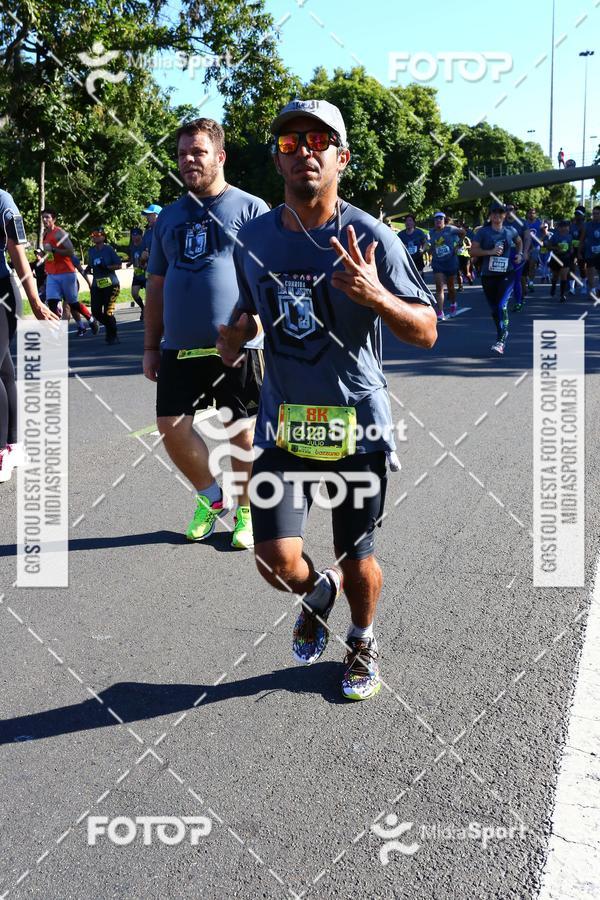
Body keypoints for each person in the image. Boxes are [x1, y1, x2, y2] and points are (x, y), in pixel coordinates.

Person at [217, 99, 437, 701]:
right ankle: (318, 590)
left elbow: (425, 329)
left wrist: (377, 297)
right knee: (273, 560)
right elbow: (253, 313)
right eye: (290, 143)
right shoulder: (253, 239)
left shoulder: (370, 236)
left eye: (318, 141)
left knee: (357, 552)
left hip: (355, 427)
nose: (303, 151)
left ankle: (362, 638)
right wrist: (237, 336)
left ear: (341, 157)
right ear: (277, 160)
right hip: (286, 424)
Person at [143, 118, 269, 550]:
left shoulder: (251, 208)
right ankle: (212, 499)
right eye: (181, 153)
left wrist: (252, 327)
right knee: (171, 425)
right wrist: (149, 346)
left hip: (237, 344)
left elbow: (268, 279)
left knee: (242, 431)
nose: (188, 160)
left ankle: (249, 512)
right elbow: (156, 284)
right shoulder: (169, 217)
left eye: (197, 152)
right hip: (179, 346)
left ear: (220, 156)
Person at [1, 190, 57, 482]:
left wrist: (35, 301)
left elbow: (17, 252)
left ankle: (2, 451)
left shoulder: (3, 200)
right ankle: (15, 445)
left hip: (2, 294)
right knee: (4, 369)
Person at [469, 202, 523, 356]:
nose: (497, 216)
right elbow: (473, 251)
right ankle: (502, 331)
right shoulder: (483, 232)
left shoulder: (510, 231)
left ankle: (501, 340)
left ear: (505, 215)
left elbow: (519, 242)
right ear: (490, 215)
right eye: (494, 213)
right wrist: (490, 251)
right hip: (488, 276)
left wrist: (519, 254)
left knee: (500, 306)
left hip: (507, 274)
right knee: (494, 310)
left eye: (500, 213)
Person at [85, 227, 122, 344]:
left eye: (98, 234)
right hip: (97, 285)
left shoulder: (109, 249)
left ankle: (112, 334)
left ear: (103, 237)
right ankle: (111, 327)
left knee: (108, 312)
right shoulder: (91, 251)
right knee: (95, 311)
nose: (95, 236)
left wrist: (106, 267)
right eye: (93, 235)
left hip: (111, 285)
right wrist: (87, 269)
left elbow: (119, 265)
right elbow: (91, 265)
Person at [41, 207, 79, 317]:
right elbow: (50, 255)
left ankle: (89, 319)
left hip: (66, 272)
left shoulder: (59, 233)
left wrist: (53, 249)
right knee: (52, 302)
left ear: (54, 219)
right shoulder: (45, 235)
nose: (44, 220)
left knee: (72, 304)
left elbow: (71, 251)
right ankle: (58, 330)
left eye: (47, 217)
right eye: (43, 217)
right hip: (53, 274)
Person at [427, 212, 464, 320]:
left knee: (451, 288)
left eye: (441, 218)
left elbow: (463, 232)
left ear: (444, 220)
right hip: (438, 263)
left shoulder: (450, 229)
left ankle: (453, 304)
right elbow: (430, 247)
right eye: (436, 219)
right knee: (439, 287)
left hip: (450, 262)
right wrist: (428, 249)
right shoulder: (431, 233)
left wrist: (460, 243)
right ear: (434, 221)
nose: (438, 220)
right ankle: (440, 311)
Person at [548, 220, 574, 302]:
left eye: (566, 227)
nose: (564, 228)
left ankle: (562, 294)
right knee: (555, 276)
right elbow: (548, 246)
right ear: (559, 228)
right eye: (562, 227)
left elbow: (571, 247)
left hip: (566, 258)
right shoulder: (555, 236)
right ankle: (553, 286)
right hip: (556, 257)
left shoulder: (570, 236)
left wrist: (572, 252)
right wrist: (556, 248)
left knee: (564, 276)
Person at [580, 205, 600, 300]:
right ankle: (592, 290)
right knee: (590, 271)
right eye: (594, 213)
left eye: (597, 213)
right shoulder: (587, 225)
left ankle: (598, 289)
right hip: (590, 252)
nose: (595, 215)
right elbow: (582, 239)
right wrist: (579, 252)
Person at [127, 227, 146, 319]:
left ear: (140, 235)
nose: (133, 237)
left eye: (135, 235)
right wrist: (130, 263)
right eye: (132, 235)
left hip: (147, 274)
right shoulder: (132, 246)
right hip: (137, 274)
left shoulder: (145, 245)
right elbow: (133, 257)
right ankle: (143, 309)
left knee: (150, 295)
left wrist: (145, 265)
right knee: (134, 293)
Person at [569, 207, 587, 295]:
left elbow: (584, 239)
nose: (577, 216)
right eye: (576, 214)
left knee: (582, 268)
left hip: (583, 250)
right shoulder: (571, 226)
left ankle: (584, 285)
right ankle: (572, 288)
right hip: (573, 249)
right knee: (571, 267)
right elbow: (569, 237)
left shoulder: (586, 226)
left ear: (583, 216)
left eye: (579, 215)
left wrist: (580, 251)